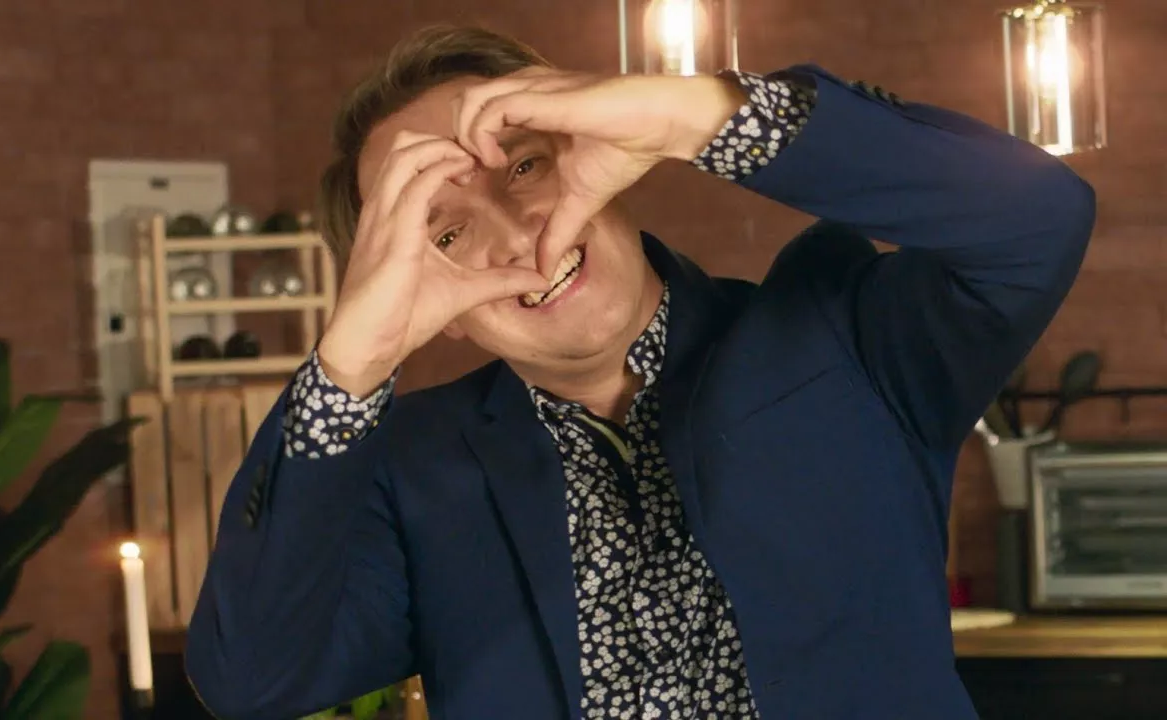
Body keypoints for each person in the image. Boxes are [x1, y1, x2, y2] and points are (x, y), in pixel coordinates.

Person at [184, 24, 1094, 720]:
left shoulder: (840, 331)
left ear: (605, 161)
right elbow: (253, 679)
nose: (520, 240)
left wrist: (692, 118)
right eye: (447, 233)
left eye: (524, 168)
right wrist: (350, 364)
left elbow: (1037, 219)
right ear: (434, 306)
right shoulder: (408, 467)